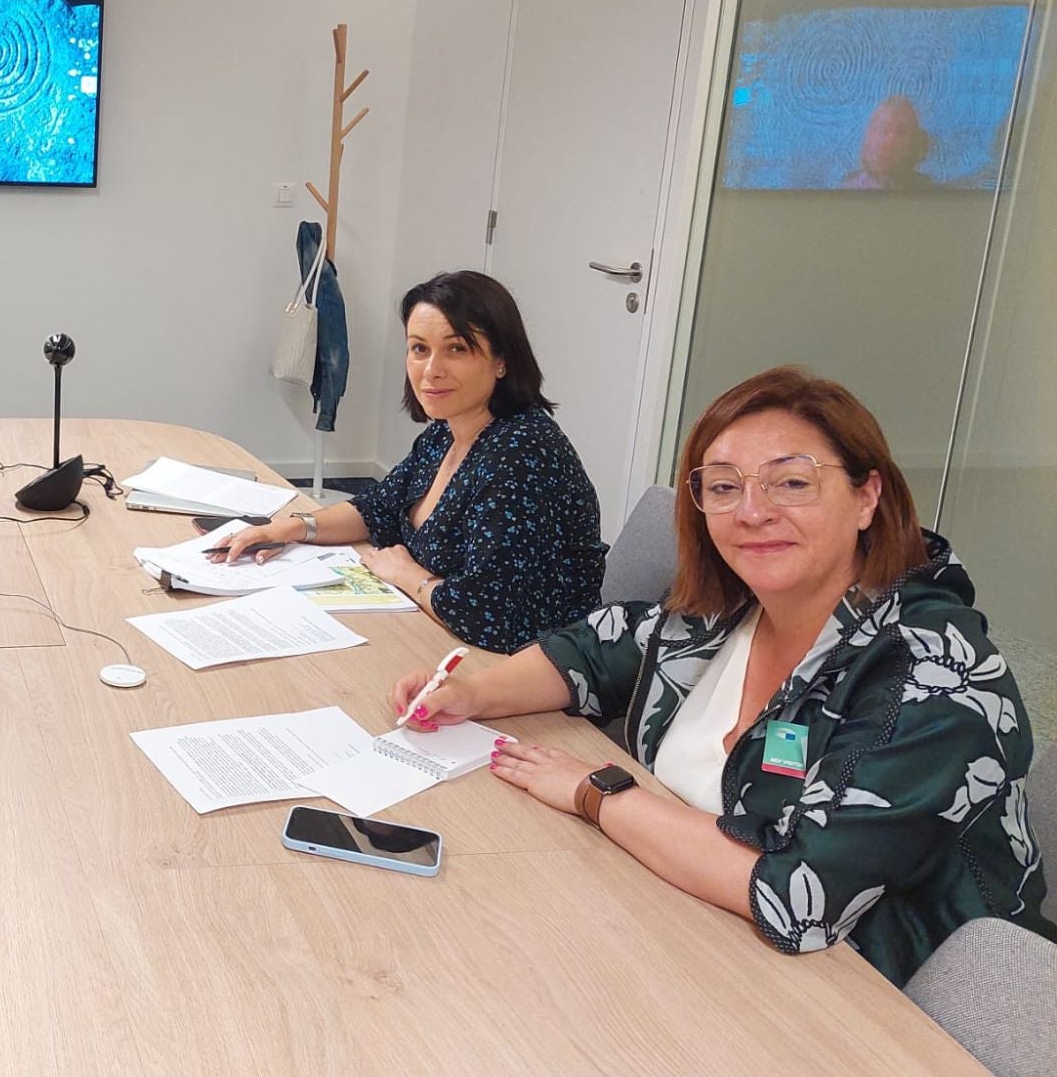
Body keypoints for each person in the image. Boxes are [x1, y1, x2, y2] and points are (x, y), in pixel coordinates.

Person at [390, 367, 1050, 985]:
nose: (753, 512)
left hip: (875, 994)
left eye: (792, 482)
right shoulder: (730, 607)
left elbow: (798, 896)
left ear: (866, 496)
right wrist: (473, 690)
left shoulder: (935, 675)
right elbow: (593, 649)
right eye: (725, 486)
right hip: (680, 928)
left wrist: (599, 794)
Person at [215, 270, 604, 652]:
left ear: (501, 360)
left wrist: (407, 574)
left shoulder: (522, 454)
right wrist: (289, 529)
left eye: (457, 349)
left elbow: (489, 617)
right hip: (437, 635)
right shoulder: (446, 430)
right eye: (419, 349)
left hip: (519, 669)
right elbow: (376, 509)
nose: (432, 370)